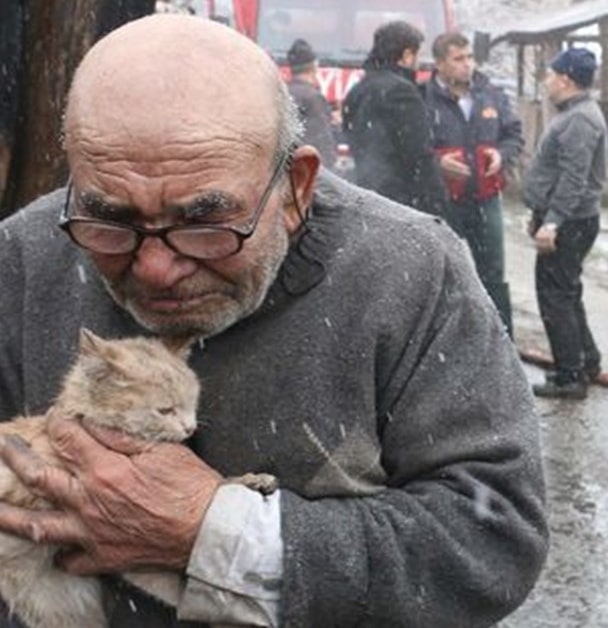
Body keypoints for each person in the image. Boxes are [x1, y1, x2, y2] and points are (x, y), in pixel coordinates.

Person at [0, 14, 546, 627]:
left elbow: (494, 537)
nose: (153, 268)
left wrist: (215, 534)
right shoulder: (23, 256)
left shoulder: (410, 270)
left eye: (205, 223)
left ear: (296, 188)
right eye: (110, 219)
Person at [425, 31, 523, 336]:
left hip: (485, 198)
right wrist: (437, 163)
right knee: (443, 273)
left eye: (469, 57)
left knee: (493, 273)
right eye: (458, 59)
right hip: (444, 201)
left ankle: (502, 341)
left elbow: (513, 135)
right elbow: (412, 150)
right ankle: (449, 341)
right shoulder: (423, 99)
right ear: (440, 64)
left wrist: (502, 155)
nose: (467, 65)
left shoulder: (490, 94)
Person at [522, 48, 607, 399]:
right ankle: (586, 360)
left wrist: (553, 222)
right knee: (567, 291)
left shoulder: (579, 119)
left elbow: (575, 178)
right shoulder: (575, 114)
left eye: (550, 74)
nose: (546, 81)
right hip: (566, 218)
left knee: (555, 296)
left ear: (566, 79)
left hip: (570, 220)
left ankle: (570, 376)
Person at [341, 20, 448, 215]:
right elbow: (418, 153)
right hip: (400, 201)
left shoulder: (357, 91)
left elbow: (349, 135)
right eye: (418, 56)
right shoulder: (403, 92)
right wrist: (437, 203)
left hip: (366, 194)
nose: (419, 63)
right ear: (406, 56)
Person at [285, 38, 338, 167]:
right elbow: (322, 140)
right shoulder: (313, 97)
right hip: (307, 168)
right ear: (314, 68)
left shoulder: (282, 92)